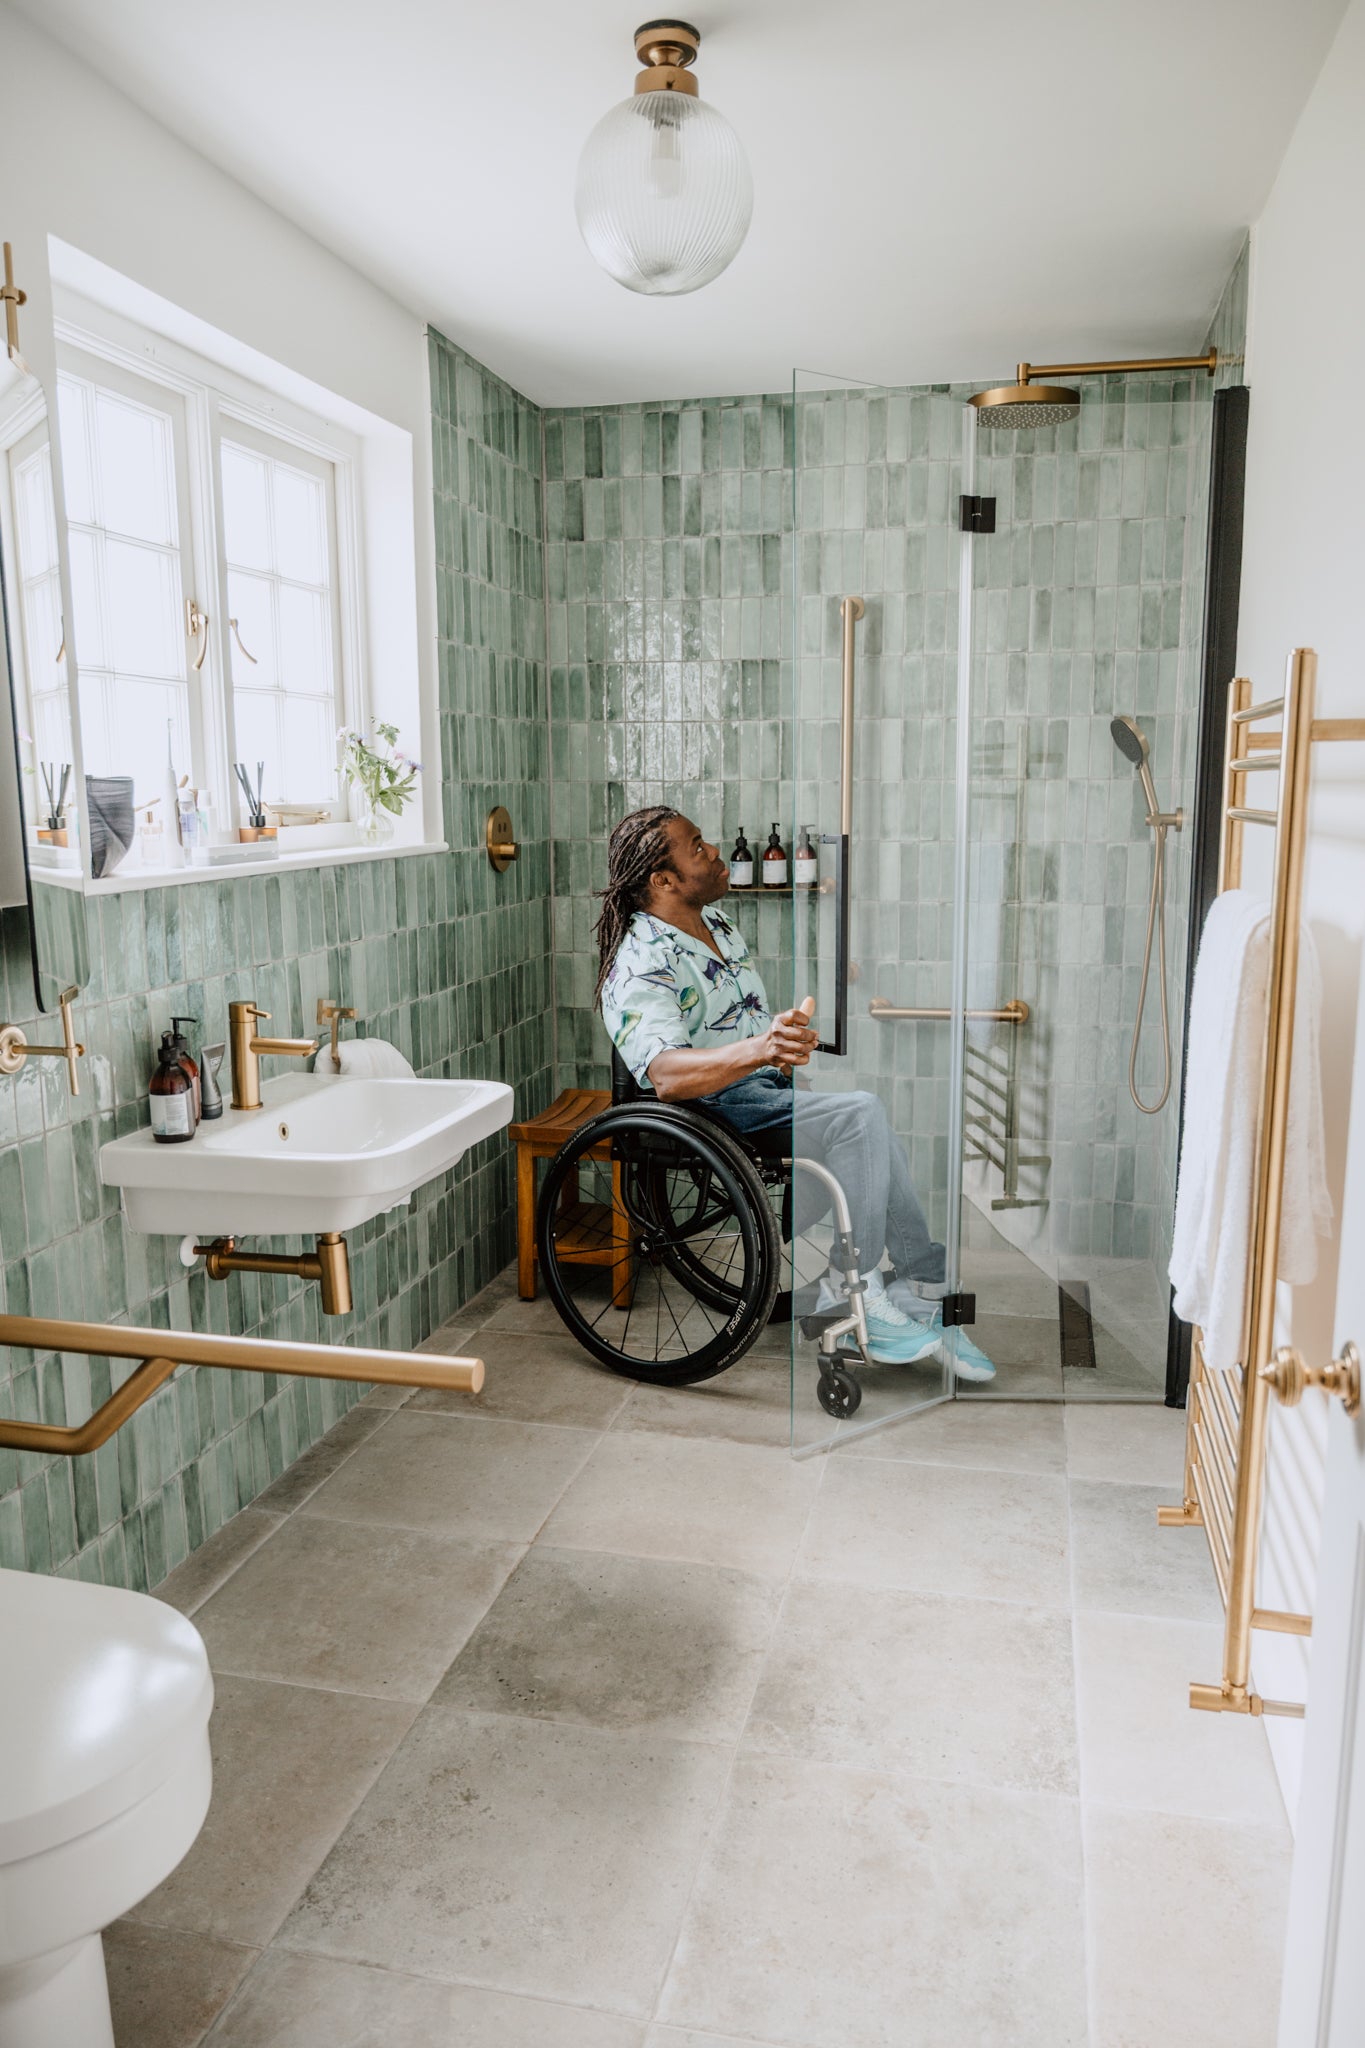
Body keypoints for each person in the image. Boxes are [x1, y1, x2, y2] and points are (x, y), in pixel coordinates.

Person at [596, 805, 995, 1380]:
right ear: (662, 880)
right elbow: (667, 1075)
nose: (713, 853)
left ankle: (917, 1289)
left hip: (753, 1090)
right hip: (705, 1106)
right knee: (862, 1114)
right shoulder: (640, 959)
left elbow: (737, 1024)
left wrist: (777, 1053)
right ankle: (858, 1284)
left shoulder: (718, 927)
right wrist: (762, 1052)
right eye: (698, 846)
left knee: (868, 1121)